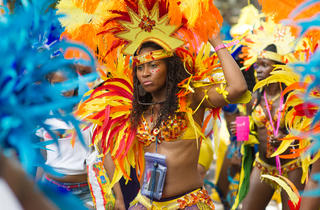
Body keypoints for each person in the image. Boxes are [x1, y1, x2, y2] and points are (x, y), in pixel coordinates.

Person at [76, 0, 250, 209]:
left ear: (170, 66)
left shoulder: (192, 98)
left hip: (187, 204)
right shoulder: (133, 106)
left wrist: (215, 40)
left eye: (153, 65)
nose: (146, 73)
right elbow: (107, 148)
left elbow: (238, 89)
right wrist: (119, 198)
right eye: (140, 67)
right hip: (145, 203)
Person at [240, 42, 305, 210]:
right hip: (263, 165)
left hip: (291, 166)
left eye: (264, 65)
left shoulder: (293, 98)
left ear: (277, 68)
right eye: (257, 66)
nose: (258, 70)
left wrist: (287, 140)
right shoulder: (253, 98)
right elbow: (243, 131)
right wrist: (241, 132)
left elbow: (307, 137)